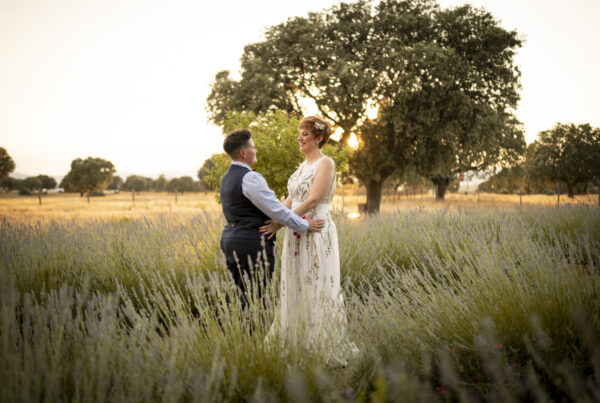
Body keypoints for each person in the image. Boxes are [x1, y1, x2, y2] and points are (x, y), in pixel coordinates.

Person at [260, 116, 358, 365]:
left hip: (316, 231)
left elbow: (313, 199)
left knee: (316, 283)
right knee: (296, 284)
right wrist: (275, 217)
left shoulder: (326, 163)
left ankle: (320, 344)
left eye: (305, 134)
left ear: (319, 137)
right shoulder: (301, 167)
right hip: (296, 232)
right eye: (300, 134)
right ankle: (297, 341)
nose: (299, 138)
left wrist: (282, 222)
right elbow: (290, 200)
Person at [219, 129, 325, 311]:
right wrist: (305, 225)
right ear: (244, 153)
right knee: (256, 296)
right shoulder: (250, 178)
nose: (256, 151)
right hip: (251, 242)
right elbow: (277, 211)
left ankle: (231, 326)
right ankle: (252, 328)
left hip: (230, 239)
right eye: (253, 147)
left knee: (237, 294)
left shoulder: (226, 177)